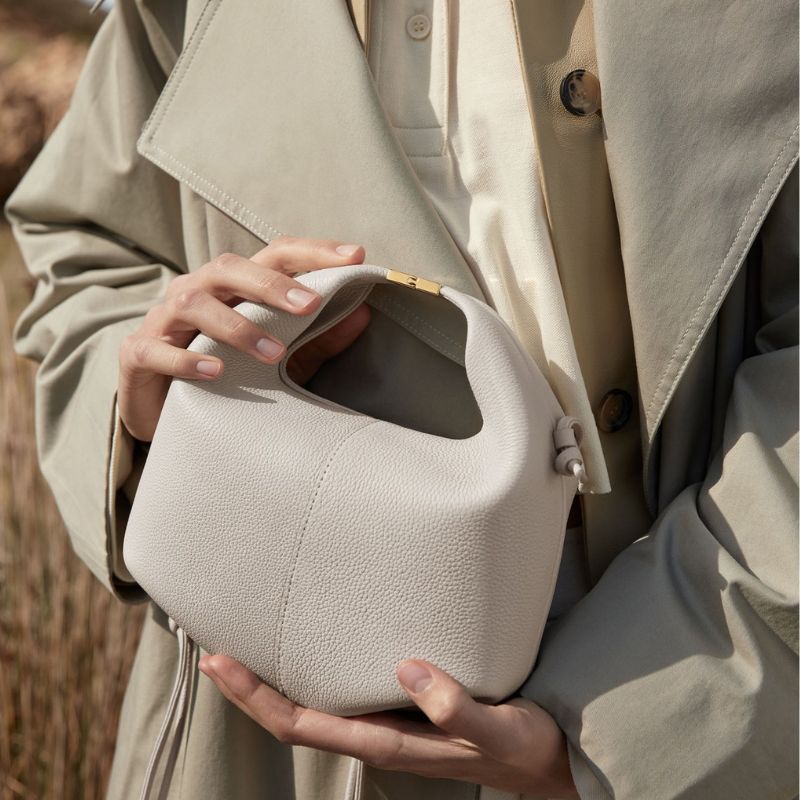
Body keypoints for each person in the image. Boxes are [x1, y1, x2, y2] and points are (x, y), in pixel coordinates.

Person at [6, 0, 798, 798]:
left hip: (662, 646)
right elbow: (87, 244)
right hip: (257, 699)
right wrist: (154, 398)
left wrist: (647, 727)